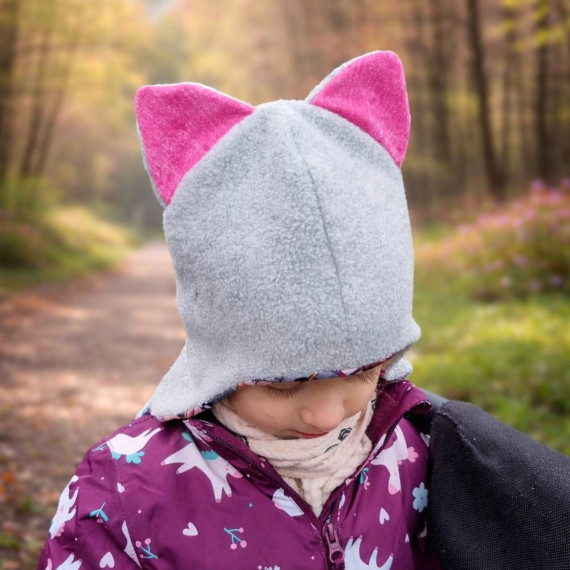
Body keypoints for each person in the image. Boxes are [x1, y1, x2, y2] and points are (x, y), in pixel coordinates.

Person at [36, 51, 443, 569]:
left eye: (363, 372)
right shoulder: (125, 494)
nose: (325, 415)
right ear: (221, 358)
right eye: (282, 386)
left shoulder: (419, 448)